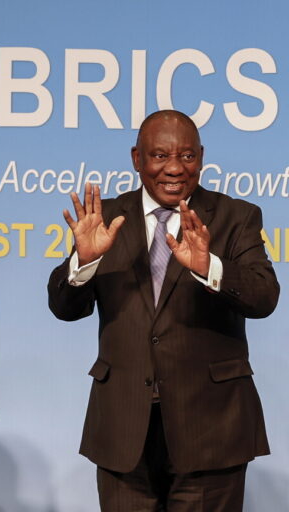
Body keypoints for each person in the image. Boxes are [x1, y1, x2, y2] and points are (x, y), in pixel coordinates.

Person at [47, 110, 279, 511]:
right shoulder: (106, 220)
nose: (174, 168)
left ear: (202, 157)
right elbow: (65, 308)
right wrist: (84, 263)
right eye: (159, 156)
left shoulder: (236, 217)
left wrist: (210, 267)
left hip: (211, 429)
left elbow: (264, 298)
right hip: (123, 430)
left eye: (187, 157)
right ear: (137, 158)